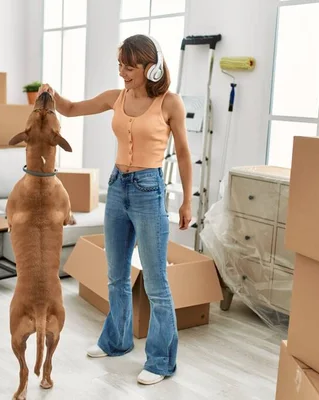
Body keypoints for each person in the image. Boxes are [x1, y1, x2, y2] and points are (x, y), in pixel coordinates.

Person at [36, 34, 193, 385]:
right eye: (120, 64)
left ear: (152, 68)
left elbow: (183, 152)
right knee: (117, 275)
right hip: (117, 186)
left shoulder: (171, 103)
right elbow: (73, 108)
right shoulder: (116, 97)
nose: (123, 72)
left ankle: (161, 362)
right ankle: (117, 341)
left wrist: (187, 199)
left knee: (155, 282)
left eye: (130, 66)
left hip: (150, 190)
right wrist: (52, 94)